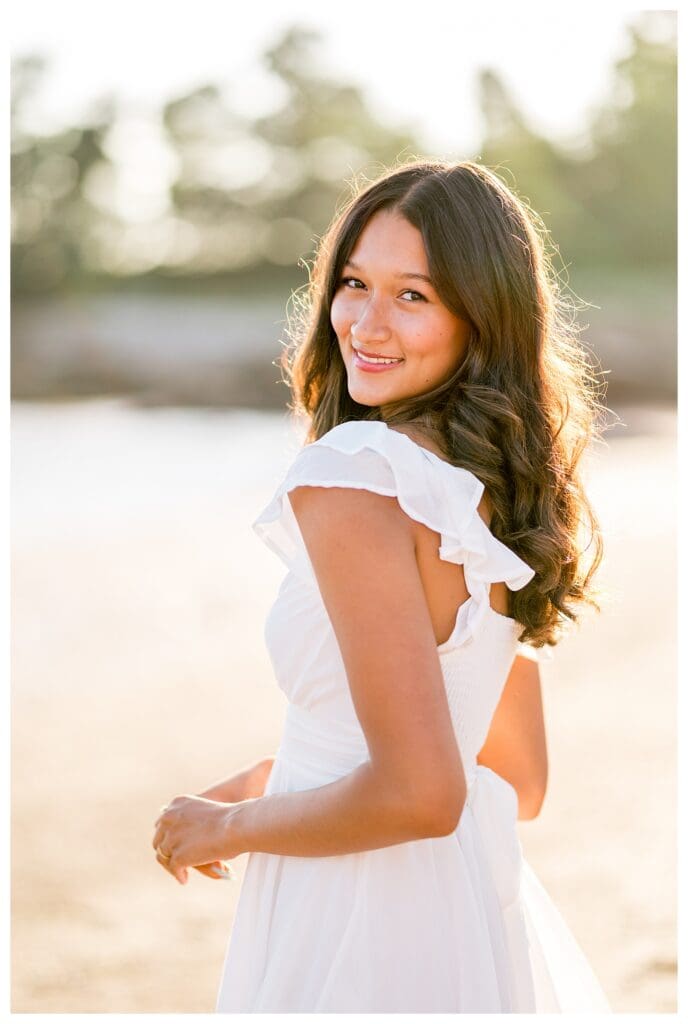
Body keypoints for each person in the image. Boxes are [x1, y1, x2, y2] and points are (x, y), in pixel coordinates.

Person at [152, 159, 612, 1012]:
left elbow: (422, 793)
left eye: (414, 296)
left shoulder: (355, 474)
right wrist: (279, 775)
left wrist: (228, 827)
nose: (365, 322)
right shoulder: (487, 491)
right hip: (460, 905)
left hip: (359, 913)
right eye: (355, 282)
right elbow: (515, 777)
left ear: (483, 317)